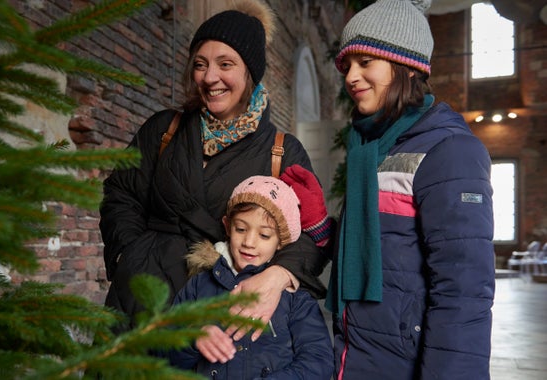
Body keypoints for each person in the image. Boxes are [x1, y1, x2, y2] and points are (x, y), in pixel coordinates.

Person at [283, 0, 495, 379]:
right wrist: (319, 224)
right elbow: (379, 246)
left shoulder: (450, 151)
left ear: (408, 66)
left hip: (404, 364)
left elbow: (463, 292)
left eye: (366, 62)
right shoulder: (372, 148)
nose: (350, 76)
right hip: (355, 352)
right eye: (347, 65)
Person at [98, 0, 332, 333]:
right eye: (200, 64)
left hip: (223, 310)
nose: (210, 78)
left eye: (225, 64)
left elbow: (312, 234)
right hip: (137, 301)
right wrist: (129, 257)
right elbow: (121, 193)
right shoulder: (164, 129)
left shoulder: (282, 151)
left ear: (249, 72)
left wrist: (277, 276)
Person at [168, 175, 333, 379]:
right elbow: (163, 352)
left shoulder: (295, 298)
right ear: (227, 226)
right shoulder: (199, 285)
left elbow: (319, 362)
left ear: (281, 241)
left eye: (264, 235)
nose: (249, 242)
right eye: (241, 229)